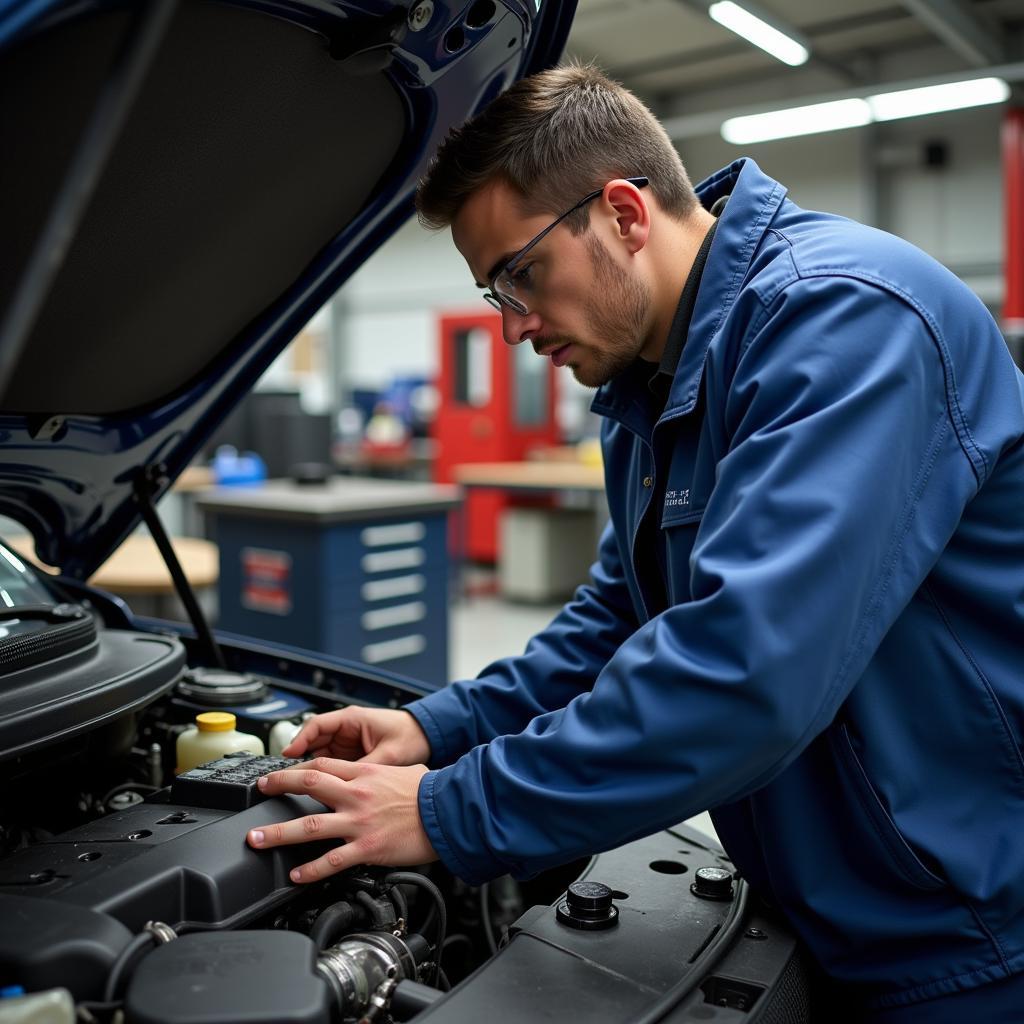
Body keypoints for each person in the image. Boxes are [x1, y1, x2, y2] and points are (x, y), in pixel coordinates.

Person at [245, 63, 1024, 1020]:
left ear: (622, 211)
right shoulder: (644, 388)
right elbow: (619, 620)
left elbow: (747, 672)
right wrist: (438, 730)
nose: (516, 326)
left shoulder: (846, 317)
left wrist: (451, 811)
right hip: (820, 905)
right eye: (496, 294)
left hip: (966, 935)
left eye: (522, 273)